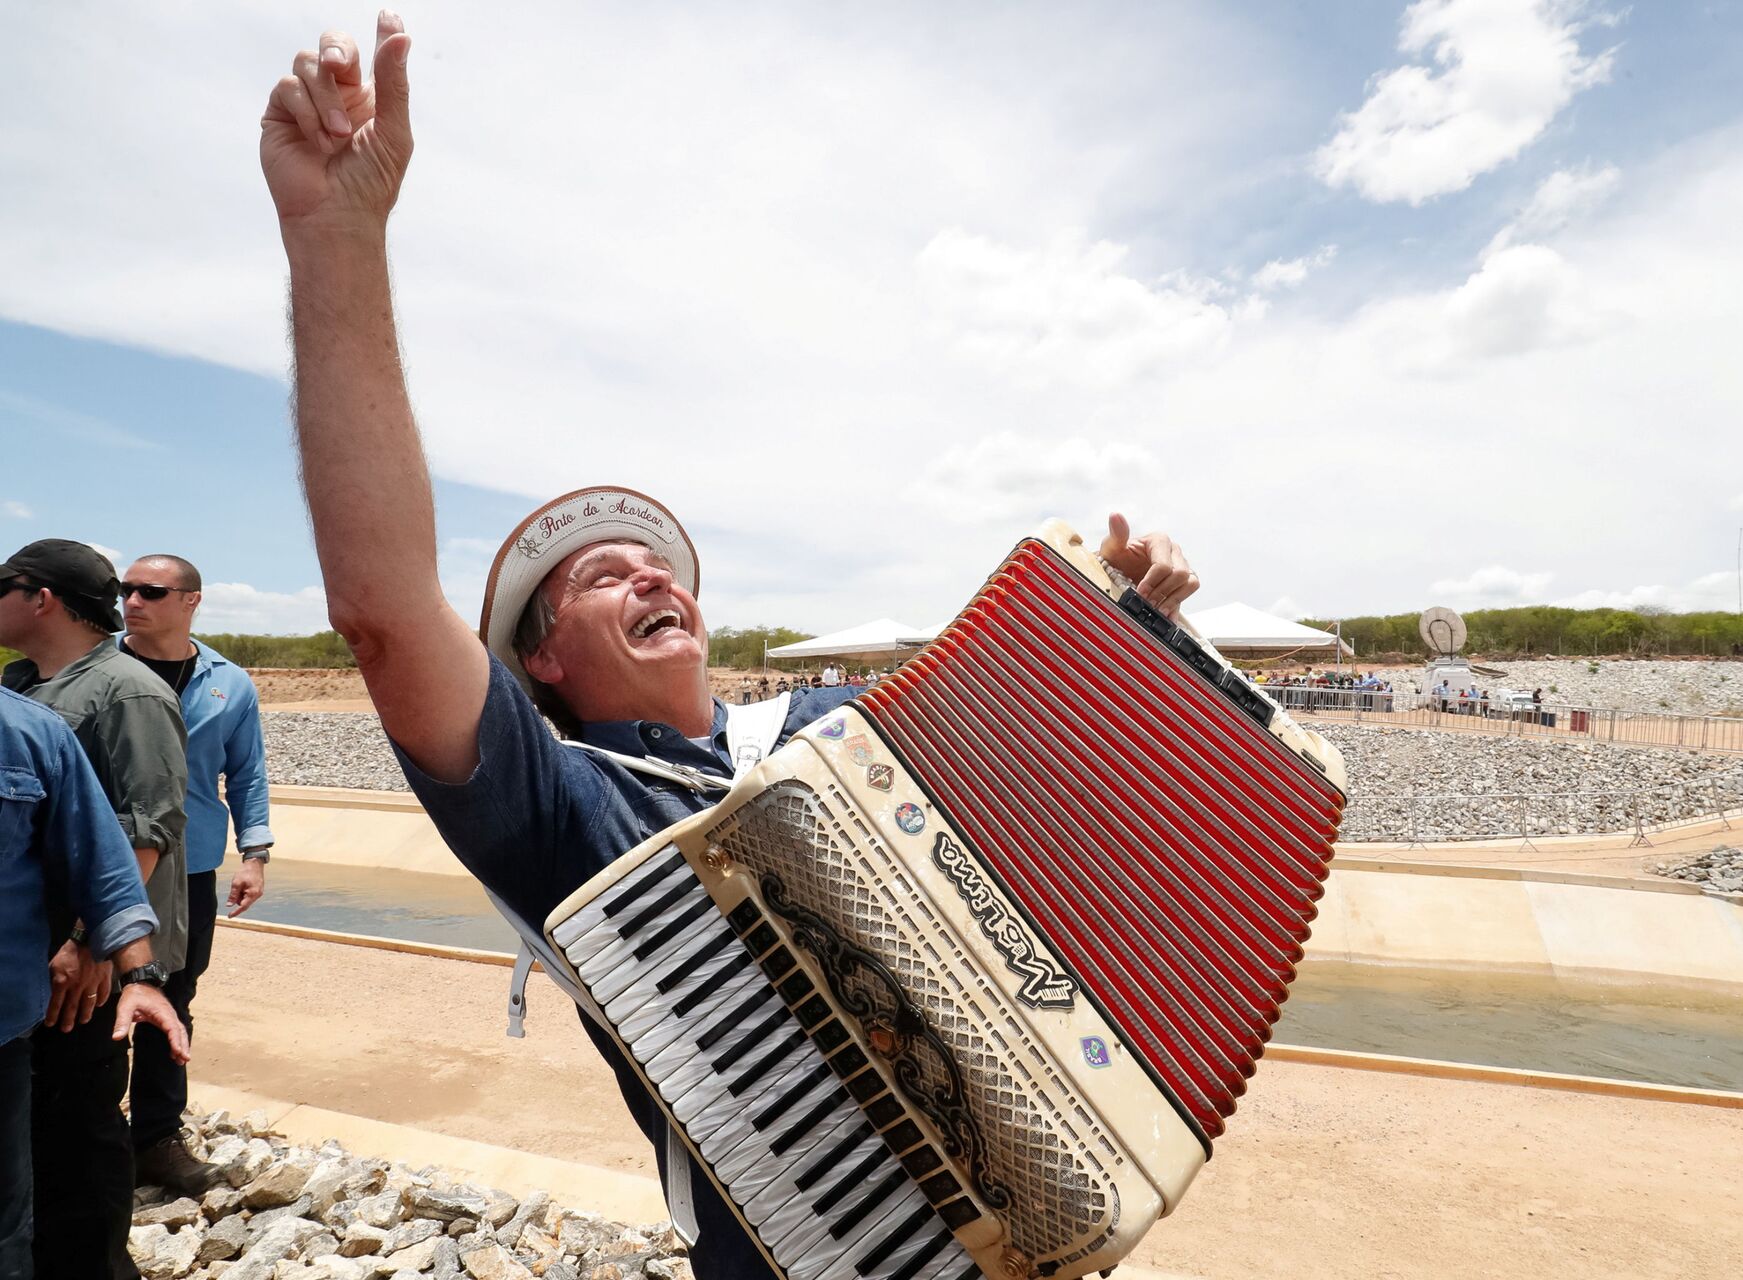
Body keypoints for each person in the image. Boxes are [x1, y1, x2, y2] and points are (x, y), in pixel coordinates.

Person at [258, 18, 1202, 1279]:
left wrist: (1149, 652)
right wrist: (337, 241)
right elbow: (381, 608)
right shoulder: (566, 811)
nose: (648, 572)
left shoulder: (853, 723)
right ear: (540, 661)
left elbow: (1094, 813)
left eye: (660, 567)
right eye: (600, 578)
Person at [0, 541, 189, 1279]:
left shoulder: (125, 691)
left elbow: (147, 829)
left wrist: (90, 944)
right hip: (30, 968)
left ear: (40, 597)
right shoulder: (26, 687)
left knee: (80, 1129)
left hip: (82, 964)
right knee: (39, 1134)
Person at [117, 555, 276, 1191]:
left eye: (150, 591)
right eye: (124, 590)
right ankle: (86, 1130)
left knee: (174, 996)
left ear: (191, 601)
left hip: (192, 868)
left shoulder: (228, 683)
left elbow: (248, 772)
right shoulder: (99, 672)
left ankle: (154, 1137)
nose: (132, 601)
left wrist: (255, 853)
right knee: (88, 995)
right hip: (111, 862)